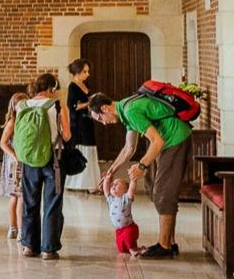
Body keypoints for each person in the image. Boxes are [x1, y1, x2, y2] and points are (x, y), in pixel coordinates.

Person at [90, 89, 192, 258]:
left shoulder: (130, 111)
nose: (104, 123)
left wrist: (142, 166)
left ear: (105, 108)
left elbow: (157, 142)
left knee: (162, 193)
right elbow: (129, 148)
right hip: (172, 140)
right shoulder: (126, 108)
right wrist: (110, 172)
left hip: (175, 139)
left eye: (100, 119)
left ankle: (164, 246)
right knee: (162, 191)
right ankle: (169, 242)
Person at [4, 72, 71, 259]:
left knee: (30, 203)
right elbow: (67, 136)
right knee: (52, 203)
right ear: (51, 89)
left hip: (28, 159)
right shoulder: (57, 106)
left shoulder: (22, 105)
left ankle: (29, 246)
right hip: (53, 160)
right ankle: (48, 249)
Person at [63, 59, 100, 192]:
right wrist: (88, 103)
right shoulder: (72, 86)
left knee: (90, 147)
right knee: (82, 146)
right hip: (78, 122)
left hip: (87, 120)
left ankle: (90, 182)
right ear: (77, 72)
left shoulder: (85, 85)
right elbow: (72, 106)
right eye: (85, 71)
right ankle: (78, 183)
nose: (87, 74)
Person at [0, 91, 28, 239]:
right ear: (13, 106)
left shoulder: (26, 119)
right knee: (16, 196)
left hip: (24, 159)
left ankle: (18, 229)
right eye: (18, 104)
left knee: (21, 195)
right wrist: (15, 156)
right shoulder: (12, 122)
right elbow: (3, 143)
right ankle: (16, 228)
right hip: (14, 162)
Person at [105, 173, 141, 255]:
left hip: (129, 227)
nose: (113, 185)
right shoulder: (111, 200)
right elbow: (106, 190)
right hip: (119, 229)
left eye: (117, 184)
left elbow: (131, 189)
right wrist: (107, 180)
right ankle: (132, 248)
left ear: (125, 190)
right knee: (121, 248)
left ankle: (133, 249)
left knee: (129, 239)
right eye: (113, 184)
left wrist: (133, 180)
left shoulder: (126, 199)